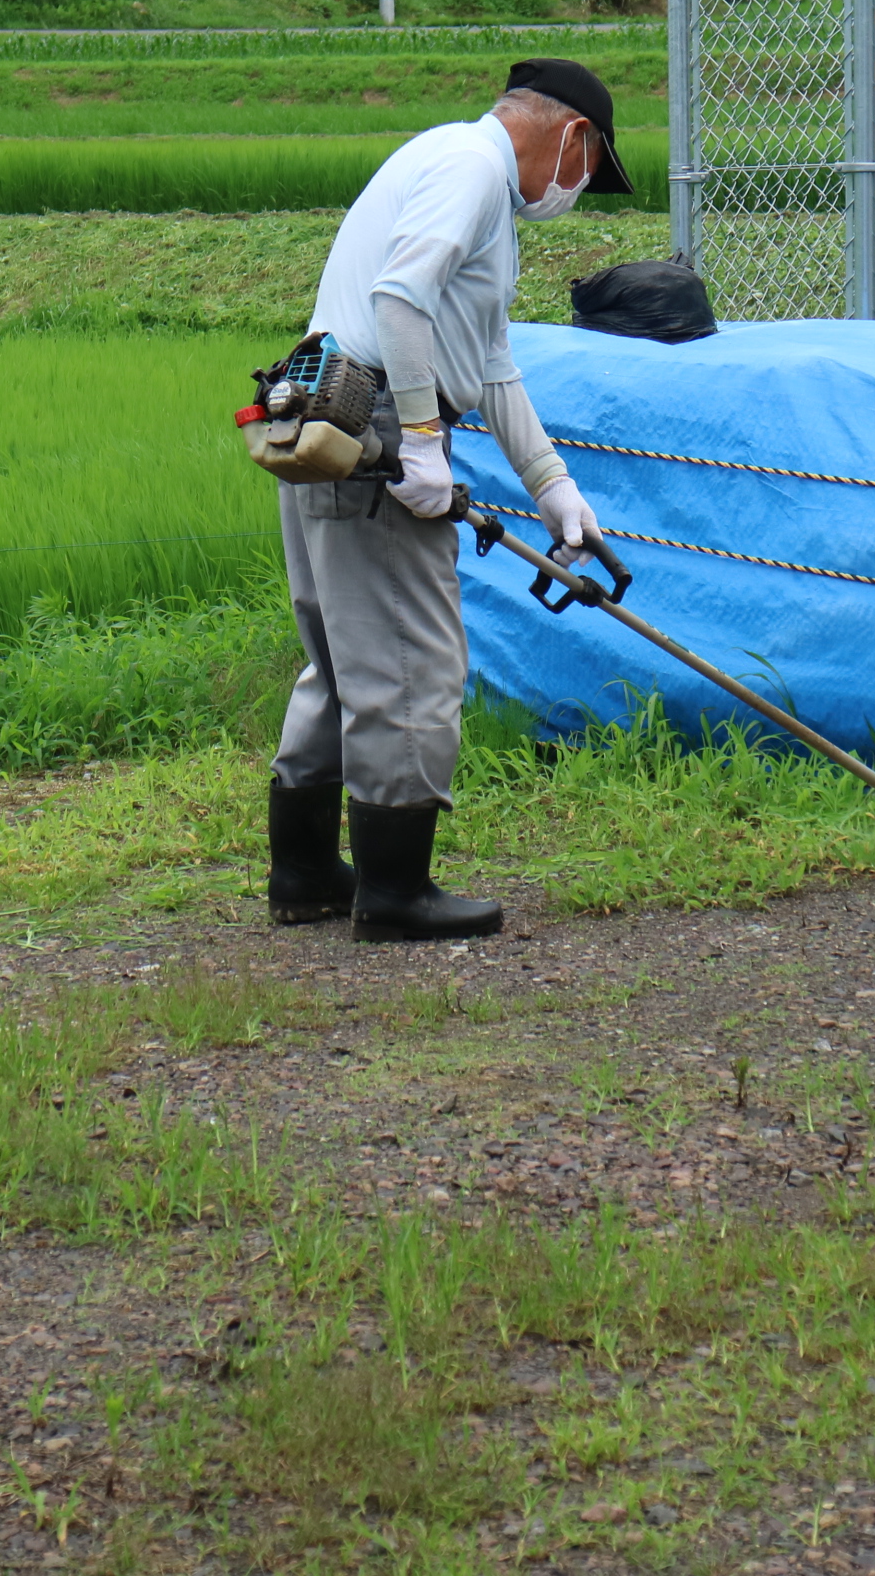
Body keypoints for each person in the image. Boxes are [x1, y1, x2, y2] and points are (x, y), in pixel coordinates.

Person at [263, 57, 634, 943]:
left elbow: (493, 362)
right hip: (380, 422)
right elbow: (399, 302)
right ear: (573, 136)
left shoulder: (451, 169)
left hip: (322, 406)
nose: (576, 191)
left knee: (342, 657)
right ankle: (395, 892)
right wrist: (425, 444)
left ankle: (307, 871)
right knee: (408, 658)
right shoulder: (472, 171)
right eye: (589, 172)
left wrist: (553, 486)